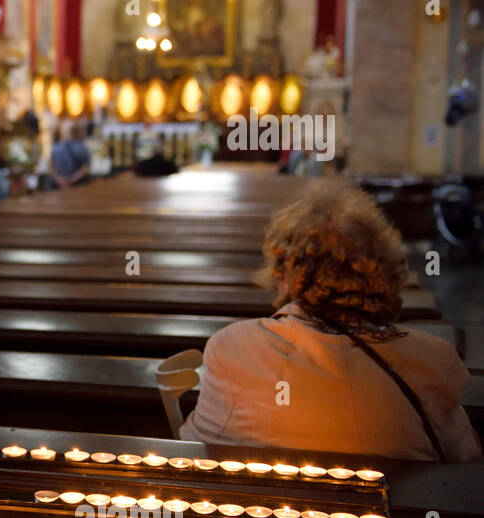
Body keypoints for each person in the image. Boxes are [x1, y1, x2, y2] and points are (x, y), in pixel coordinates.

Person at [180, 184, 481, 463]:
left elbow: (195, 446)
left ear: (284, 275)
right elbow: (463, 465)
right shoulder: (433, 359)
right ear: (384, 272)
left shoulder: (232, 345)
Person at [50, 122, 92, 188]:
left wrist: (59, 179)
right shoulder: (82, 148)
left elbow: (51, 166)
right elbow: (86, 168)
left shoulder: (56, 147)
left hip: (59, 186)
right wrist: (71, 180)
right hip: (77, 185)